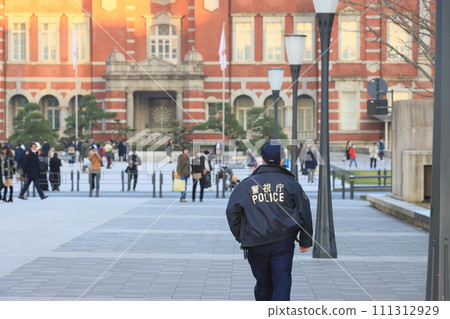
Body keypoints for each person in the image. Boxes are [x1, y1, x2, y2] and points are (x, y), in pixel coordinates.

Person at [226, 141, 313, 301]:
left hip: (256, 242)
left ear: (262, 159)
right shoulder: (291, 184)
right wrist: (305, 240)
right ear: (282, 160)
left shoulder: (247, 185)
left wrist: (243, 235)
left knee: (263, 282)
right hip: (283, 241)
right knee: (282, 280)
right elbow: (304, 210)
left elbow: (232, 212)